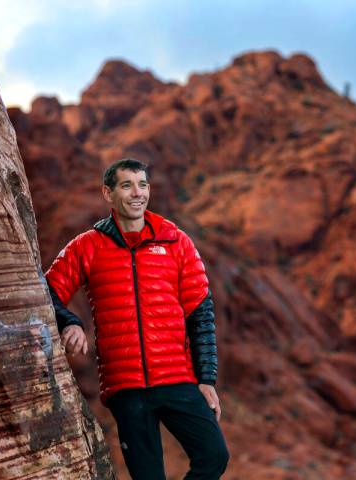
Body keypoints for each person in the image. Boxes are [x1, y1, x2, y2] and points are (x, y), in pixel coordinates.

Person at [45, 158, 229, 480]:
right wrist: (68, 321)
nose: (137, 193)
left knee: (214, 456)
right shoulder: (88, 246)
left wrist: (207, 379)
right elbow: (46, 290)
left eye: (143, 184)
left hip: (177, 378)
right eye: (127, 185)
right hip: (126, 387)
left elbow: (200, 313)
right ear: (108, 193)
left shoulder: (175, 241)